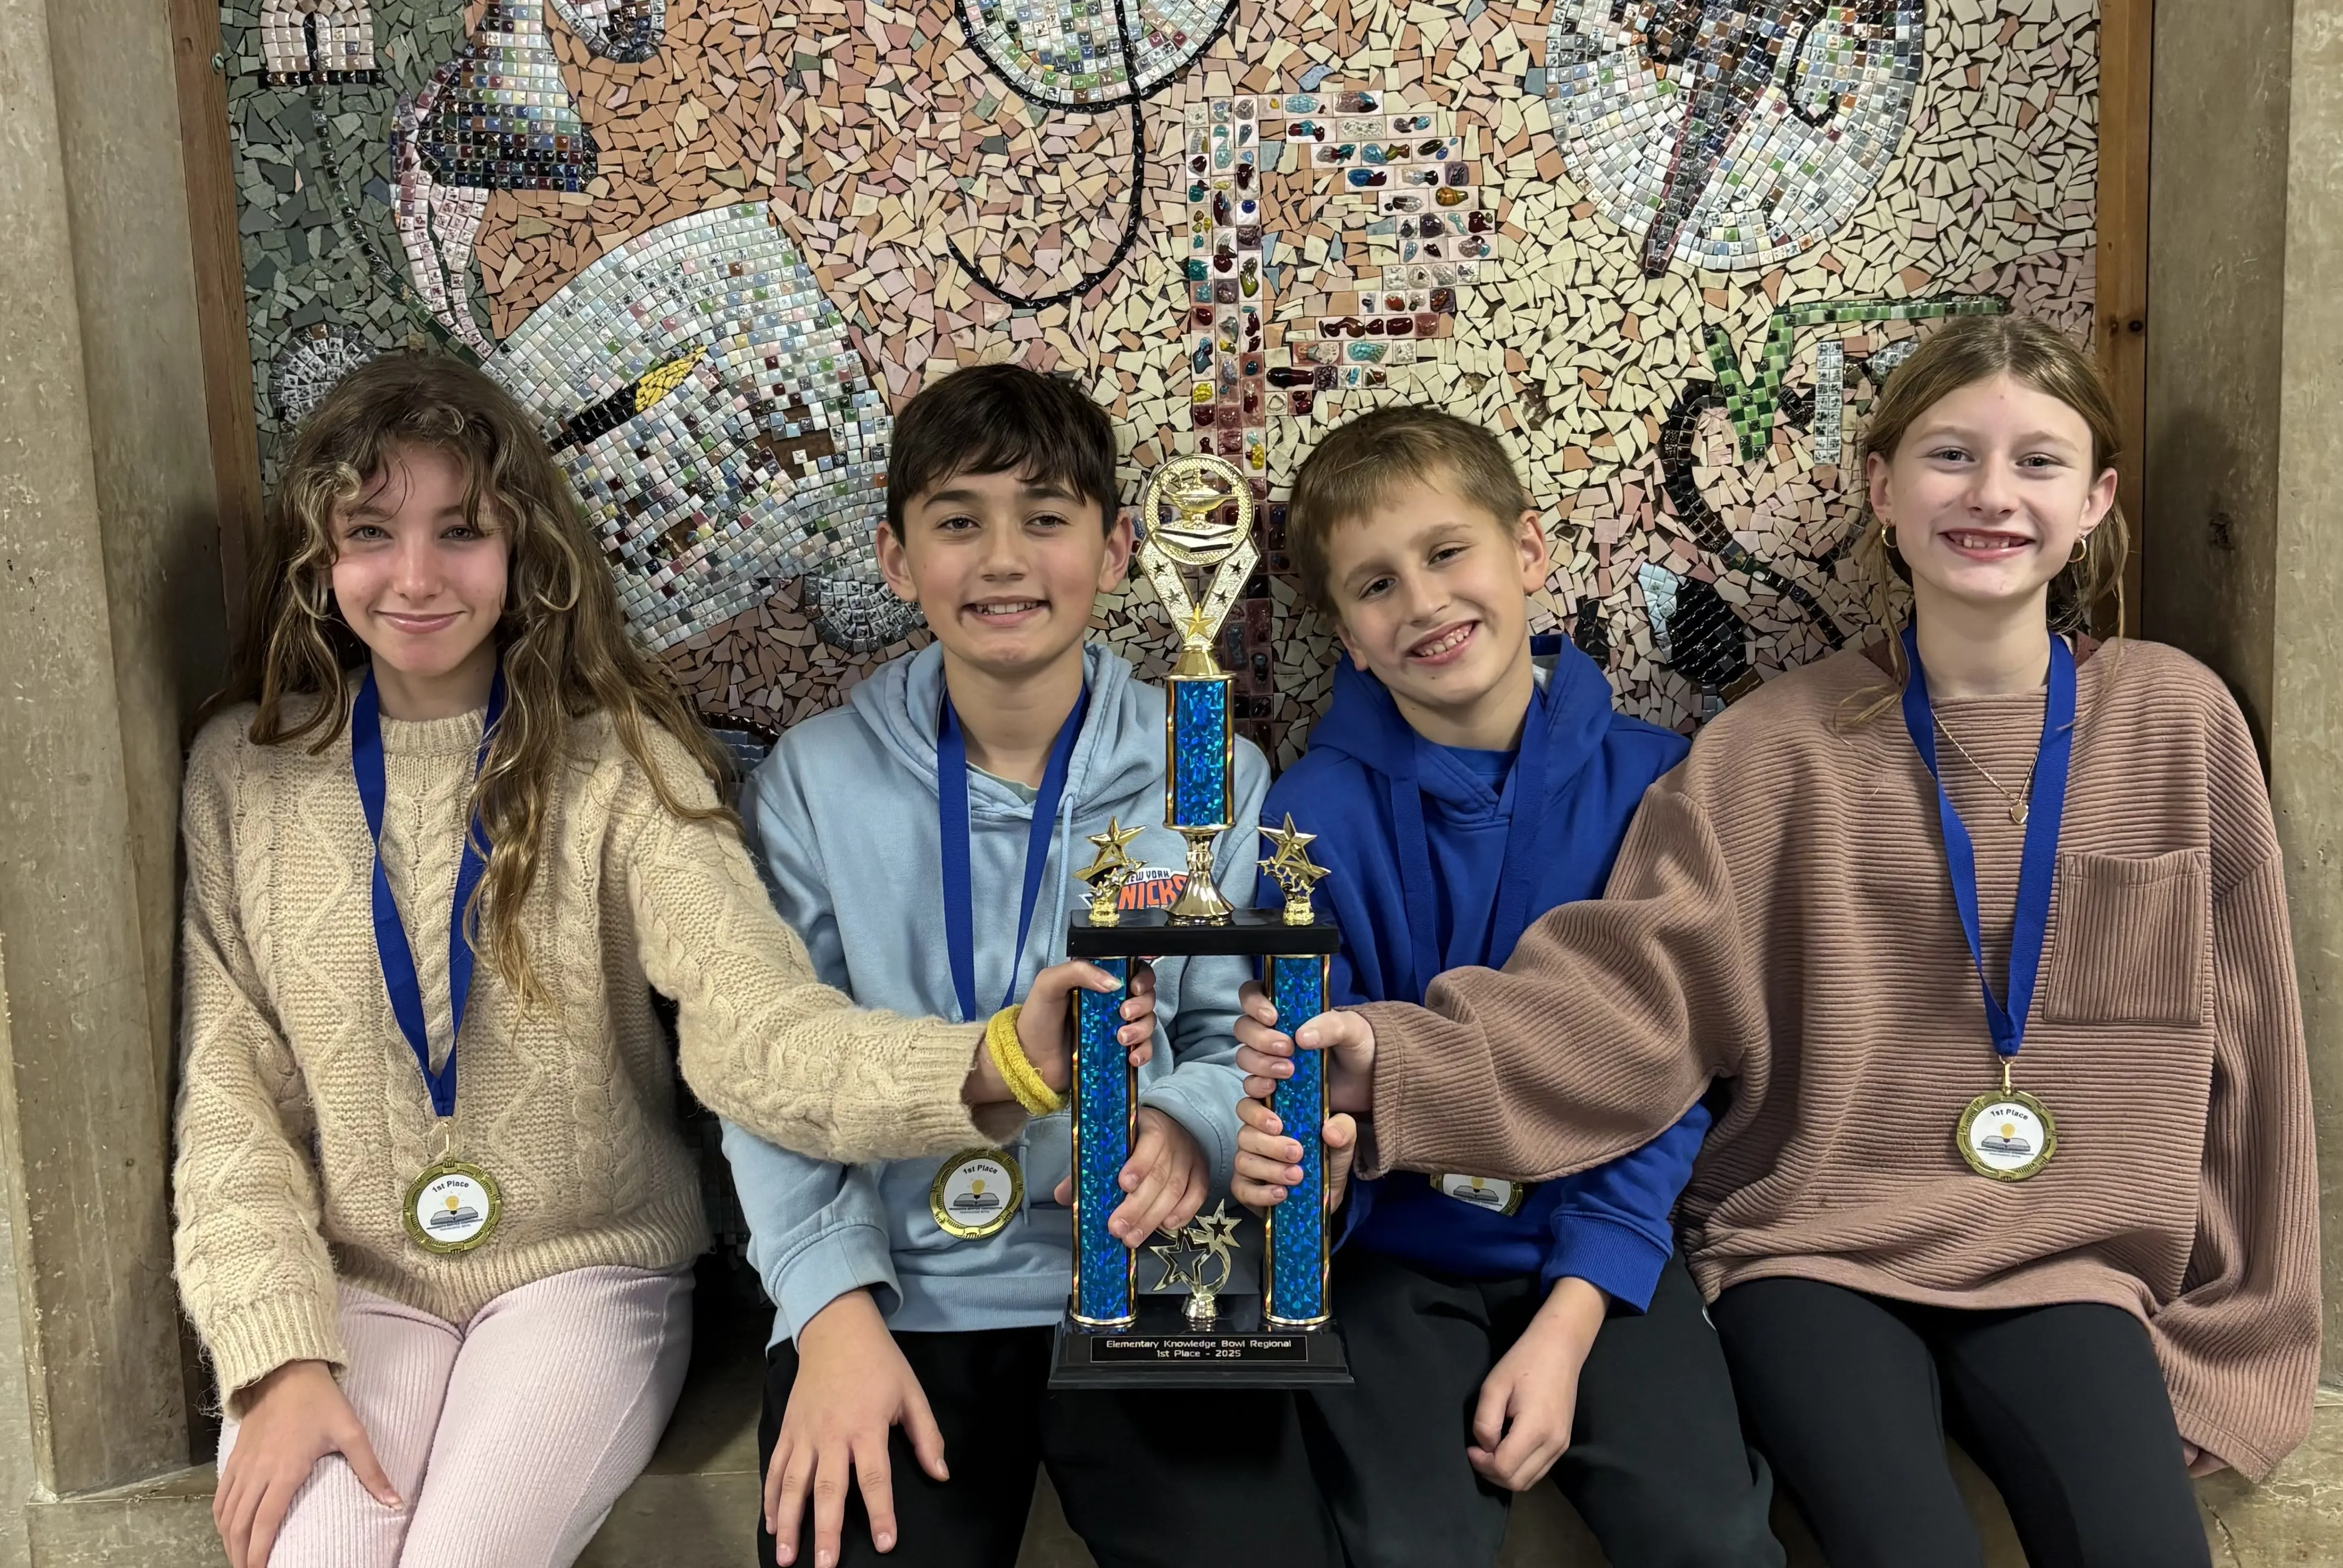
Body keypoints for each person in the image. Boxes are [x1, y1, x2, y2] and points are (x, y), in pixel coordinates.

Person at [1233, 315, 2318, 1567]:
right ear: (1882, 488)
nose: (1989, 495)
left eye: (2036, 462)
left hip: (2068, 1261)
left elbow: (2252, 1058)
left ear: (2096, 499)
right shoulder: (1769, 747)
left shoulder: (2178, 719)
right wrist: (1392, 1062)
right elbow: (1640, 999)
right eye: (1951, 455)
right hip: (1815, 1245)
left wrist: (2241, 1340)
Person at [175, 352, 1155, 1568]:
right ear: (320, 555)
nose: (415, 576)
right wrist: (272, 1354)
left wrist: (994, 1056)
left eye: (461, 530)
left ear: (525, 548)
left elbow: (755, 1032)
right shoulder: (241, 773)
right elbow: (227, 1095)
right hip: (353, 1287)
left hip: (579, 1276)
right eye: (370, 531)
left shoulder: (622, 767)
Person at [725, 364, 1338, 1568]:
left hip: (1145, 1272)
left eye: (1045, 518)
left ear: (1115, 552)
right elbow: (769, 1070)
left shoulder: (1205, 771)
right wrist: (828, 1310)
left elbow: (1229, 1041)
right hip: (896, 1293)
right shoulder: (810, 780)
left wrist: (1182, 1128)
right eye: (958, 521)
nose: (1003, 559)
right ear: (898, 559)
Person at [1230, 407, 1780, 1567]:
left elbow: (1673, 1071)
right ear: (1348, 636)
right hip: (1392, 1256)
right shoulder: (1307, 817)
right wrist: (1315, 1168)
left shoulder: (1659, 783)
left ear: (1527, 552)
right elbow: (1314, 1080)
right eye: (1375, 585)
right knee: (1411, 1545)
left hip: (1600, 1237)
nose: (1423, 603)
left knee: (1715, 1535)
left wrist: (1576, 1314)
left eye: (1446, 553)